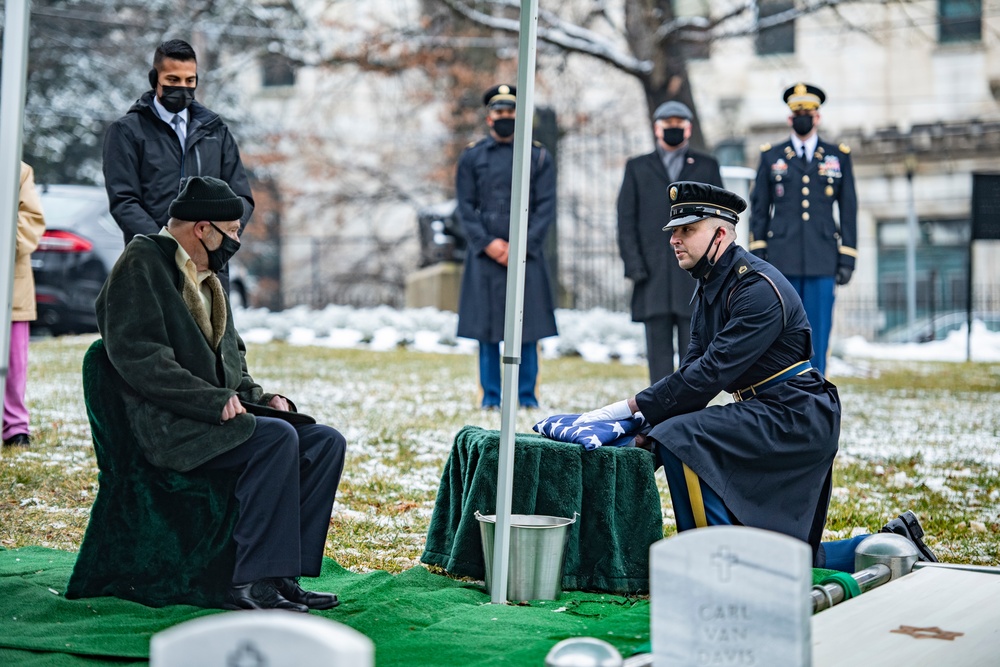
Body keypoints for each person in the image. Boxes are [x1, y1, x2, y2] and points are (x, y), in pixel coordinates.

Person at [575, 181, 935, 571]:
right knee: (787, 556)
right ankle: (891, 542)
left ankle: (712, 563)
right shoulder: (710, 287)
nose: (674, 240)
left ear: (721, 233)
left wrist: (629, 409)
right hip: (766, 412)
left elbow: (711, 373)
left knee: (680, 438)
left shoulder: (757, 288)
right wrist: (638, 430)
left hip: (796, 416)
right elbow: (692, 377)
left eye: (687, 230)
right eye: (674, 232)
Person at [95, 176, 346, 611]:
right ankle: (246, 584)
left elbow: (233, 363)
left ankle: (280, 575)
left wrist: (262, 397)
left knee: (324, 442)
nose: (236, 240)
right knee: (275, 439)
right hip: (170, 425)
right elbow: (139, 358)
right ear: (202, 228)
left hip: (212, 419)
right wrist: (208, 400)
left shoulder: (208, 278)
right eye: (232, 231)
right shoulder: (142, 264)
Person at [103, 38, 254, 293]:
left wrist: (217, 239)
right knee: (157, 333)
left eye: (190, 80)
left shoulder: (216, 131)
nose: (183, 87)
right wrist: (167, 246)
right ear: (155, 78)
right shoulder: (126, 132)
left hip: (211, 268)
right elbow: (124, 201)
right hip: (153, 266)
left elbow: (241, 198)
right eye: (173, 80)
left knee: (211, 334)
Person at [455, 84, 558, 410]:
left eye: (511, 111)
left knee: (528, 330)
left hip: (526, 256)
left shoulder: (538, 156)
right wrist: (488, 244)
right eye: (499, 112)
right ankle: (491, 398)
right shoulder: (472, 157)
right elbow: (465, 207)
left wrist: (520, 246)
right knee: (487, 331)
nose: (505, 117)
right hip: (486, 257)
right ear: (489, 117)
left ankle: (527, 397)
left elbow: (545, 207)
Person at [749, 83, 857, 375]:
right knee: (780, 332)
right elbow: (759, 209)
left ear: (817, 117)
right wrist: (758, 253)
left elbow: (848, 210)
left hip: (823, 259)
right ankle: (782, 392)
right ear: (789, 118)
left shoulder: (838, 157)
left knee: (818, 331)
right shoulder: (772, 157)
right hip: (780, 260)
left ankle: (816, 394)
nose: (802, 117)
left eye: (807, 112)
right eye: (797, 112)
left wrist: (847, 256)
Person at [617, 101, 723, 383]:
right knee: (658, 351)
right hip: (651, 274)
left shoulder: (707, 166)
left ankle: (691, 408)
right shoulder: (637, 167)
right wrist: (634, 264)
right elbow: (626, 220)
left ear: (688, 128)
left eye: (679, 124)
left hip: (695, 274)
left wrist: (712, 265)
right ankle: (659, 407)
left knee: (695, 348)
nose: (673, 130)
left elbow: (719, 222)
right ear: (657, 128)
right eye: (668, 125)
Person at [3, 163, 46, 448]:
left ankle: (14, 426)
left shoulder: (17, 169)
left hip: (11, 284)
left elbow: (32, 222)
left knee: (14, 361)